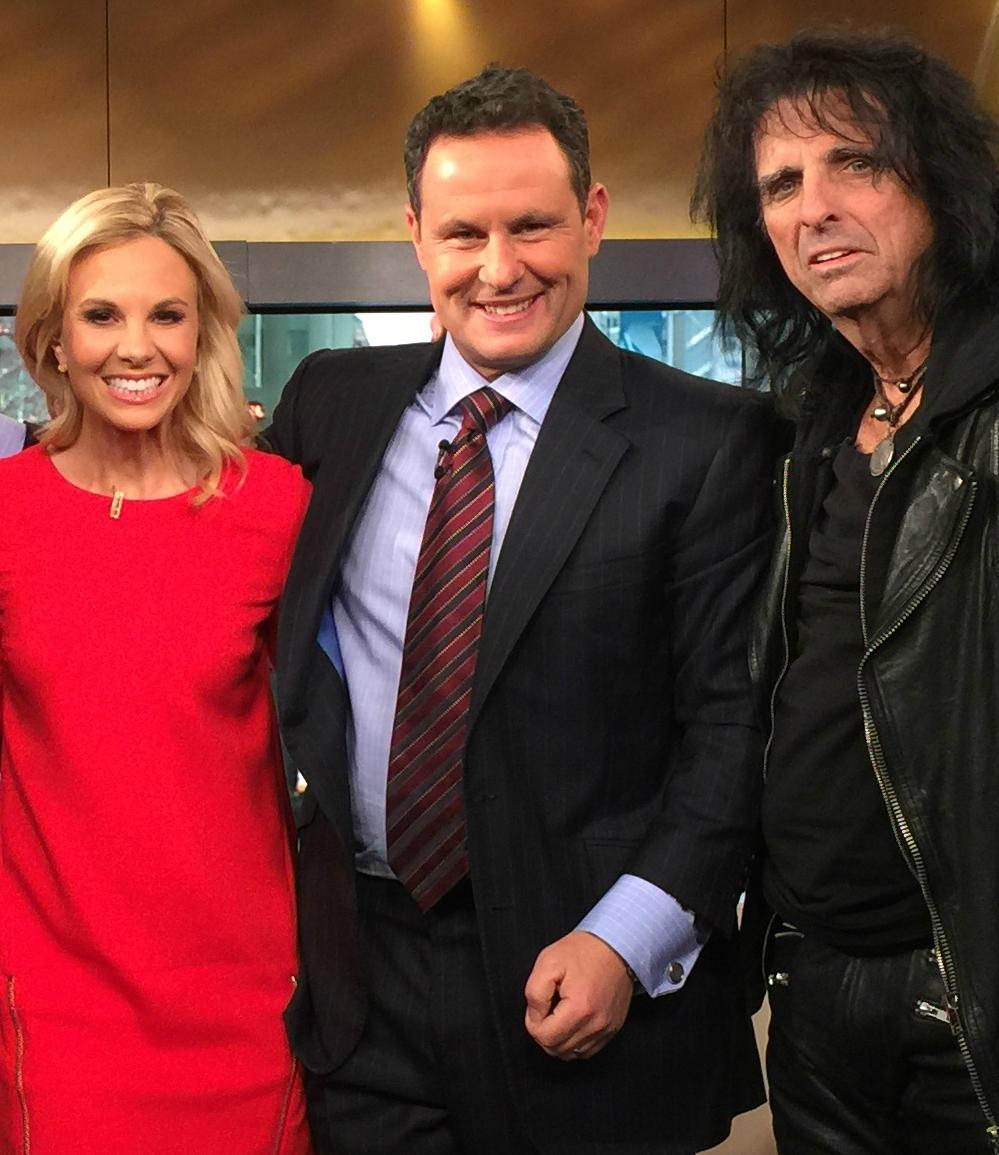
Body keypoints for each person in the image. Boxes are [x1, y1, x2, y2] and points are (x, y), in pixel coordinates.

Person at [267, 65, 779, 1155]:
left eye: (532, 225)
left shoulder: (710, 439)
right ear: (416, 234)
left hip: (586, 982)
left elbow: (734, 732)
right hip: (362, 983)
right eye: (463, 233)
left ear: (592, 218)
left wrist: (627, 937)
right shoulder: (329, 406)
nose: (499, 269)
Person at [692, 26, 999, 1155]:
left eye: (854, 163)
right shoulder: (816, 414)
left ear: (943, 182)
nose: (814, 208)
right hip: (811, 986)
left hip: (998, 999)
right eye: (781, 184)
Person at [2, 183, 313, 1154]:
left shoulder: (276, 507)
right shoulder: (6, 514)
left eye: (166, 316)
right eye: (102, 315)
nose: (137, 348)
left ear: (202, 332)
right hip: (58, 1018)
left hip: (247, 1006)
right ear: (55, 340)